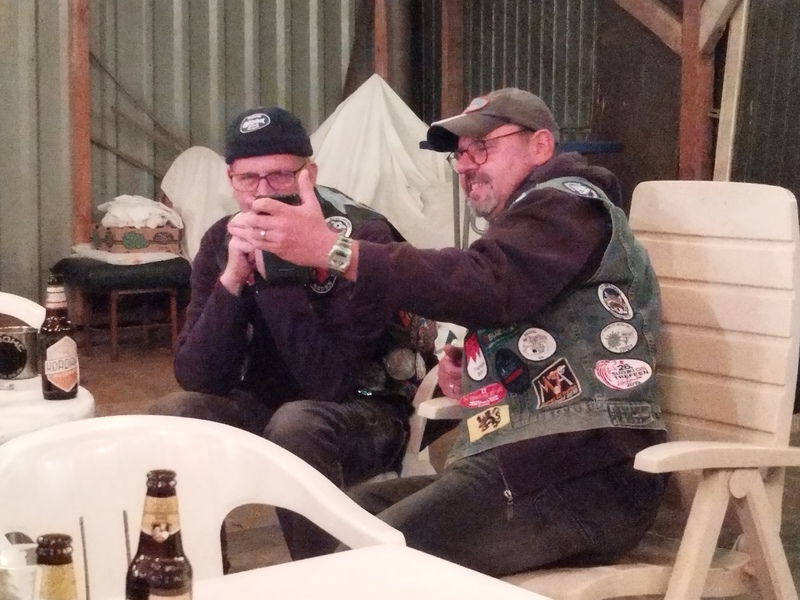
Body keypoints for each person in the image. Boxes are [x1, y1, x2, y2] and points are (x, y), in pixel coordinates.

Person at [236, 87, 668, 576]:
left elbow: (487, 283)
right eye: (459, 155)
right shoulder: (530, 224)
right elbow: (520, 305)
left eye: (482, 148)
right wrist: (479, 373)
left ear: (541, 146)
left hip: (584, 475)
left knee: (366, 562)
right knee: (350, 519)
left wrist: (332, 250)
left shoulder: (567, 205)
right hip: (526, 461)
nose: (464, 166)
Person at [149, 106, 436, 562]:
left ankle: (325, 577)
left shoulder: (359, 237)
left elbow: (330, 384)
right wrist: (233, 279)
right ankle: (197, 576)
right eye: (249, 178)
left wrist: (277, 275)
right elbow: (197, 375)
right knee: (176, 415)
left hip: (368, 410)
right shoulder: (222, 240)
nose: (263, 192)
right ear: (231, 180)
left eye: (280, 175)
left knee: (297, 424)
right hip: (266, 405)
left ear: (309, 175)